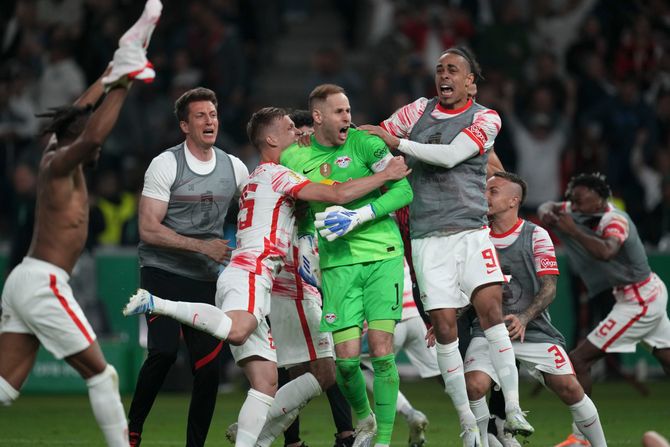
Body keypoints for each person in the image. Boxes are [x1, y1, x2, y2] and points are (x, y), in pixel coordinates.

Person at [123, 106, 411, 447]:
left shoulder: (258, 178)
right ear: (272, 138)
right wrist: (385, 174)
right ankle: (159, 303)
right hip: (253, 274)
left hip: (252, 276)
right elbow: (336, 195)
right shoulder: (278, 175)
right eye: (291, 127)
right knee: (239, 330)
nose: (299, 132)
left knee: (265, 383)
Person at [0, 0, 160, 443]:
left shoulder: (54, 148)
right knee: (102, 374)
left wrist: (111, 74)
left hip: (25, 280)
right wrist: (125, 84)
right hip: (44, 283)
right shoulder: (62, 161)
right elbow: (91, 133)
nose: (99, 149)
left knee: (4, 390)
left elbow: (78, 116)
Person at [357, 47, 531, 445]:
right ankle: (468, 424)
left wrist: (396, 144)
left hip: (470, 233)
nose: (444, 75)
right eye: (439, 70)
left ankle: (516, 410)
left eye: (453, 69)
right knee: (446, 330)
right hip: (426, 239)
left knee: (491, 312)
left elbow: (452, 156)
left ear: (471, 81)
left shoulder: (486, 118)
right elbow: (375, 143)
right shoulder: (416, 110)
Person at [283, 83, 414, 447]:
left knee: (382, 349)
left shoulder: (365, 144)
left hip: (382, 255)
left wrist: (359, 216)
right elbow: (300, 208)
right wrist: (306, 242)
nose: (348, 117)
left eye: (349, 109)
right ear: (319, 117)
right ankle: (365, 418)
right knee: (345, 363)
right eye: (340, 112)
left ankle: (383, 440)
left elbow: (404, 190)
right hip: (337, 264)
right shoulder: (294, 158)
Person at [126, 84, 249, 447]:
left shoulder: (235, 167)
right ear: (184, 125)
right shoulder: (166, 164)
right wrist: (202, 247)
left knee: (208, 369)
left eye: (212, 114)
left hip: (204, 280)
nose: (209, 121)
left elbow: (254, 210)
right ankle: (133, 430)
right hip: (161, 272)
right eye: (200, 116)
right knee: (163, 352)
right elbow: (148, 228)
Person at [463, 172, 607, 447]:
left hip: (534, 330)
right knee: (474, 386)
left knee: (570, 388)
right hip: (487, 329)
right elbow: (467, 289)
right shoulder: (475, 237)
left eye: (492, 191)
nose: (485, 196)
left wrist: (524, 317)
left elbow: (549, 286)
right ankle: (482, 442)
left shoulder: (536, 234)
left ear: (512, 201)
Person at [538, 173, 670, 446]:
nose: (575, 206)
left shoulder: (615, 220)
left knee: (579, 360)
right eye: (572, 200)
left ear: (601, 200)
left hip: (639, 300)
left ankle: (582, 438)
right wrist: (548, 213)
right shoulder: (578, 208)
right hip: (640, 293)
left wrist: (573, 231)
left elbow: (608, 252)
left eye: (581, 201)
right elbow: (547, 207)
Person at [276, 108, 356, 447]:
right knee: (292, 362)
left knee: (327, 359)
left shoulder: (327, 166)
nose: (305, 141)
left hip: (321, 262)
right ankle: (291, 439)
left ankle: (345, 433)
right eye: (299, 135)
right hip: (287, 263)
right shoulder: (280, 171)